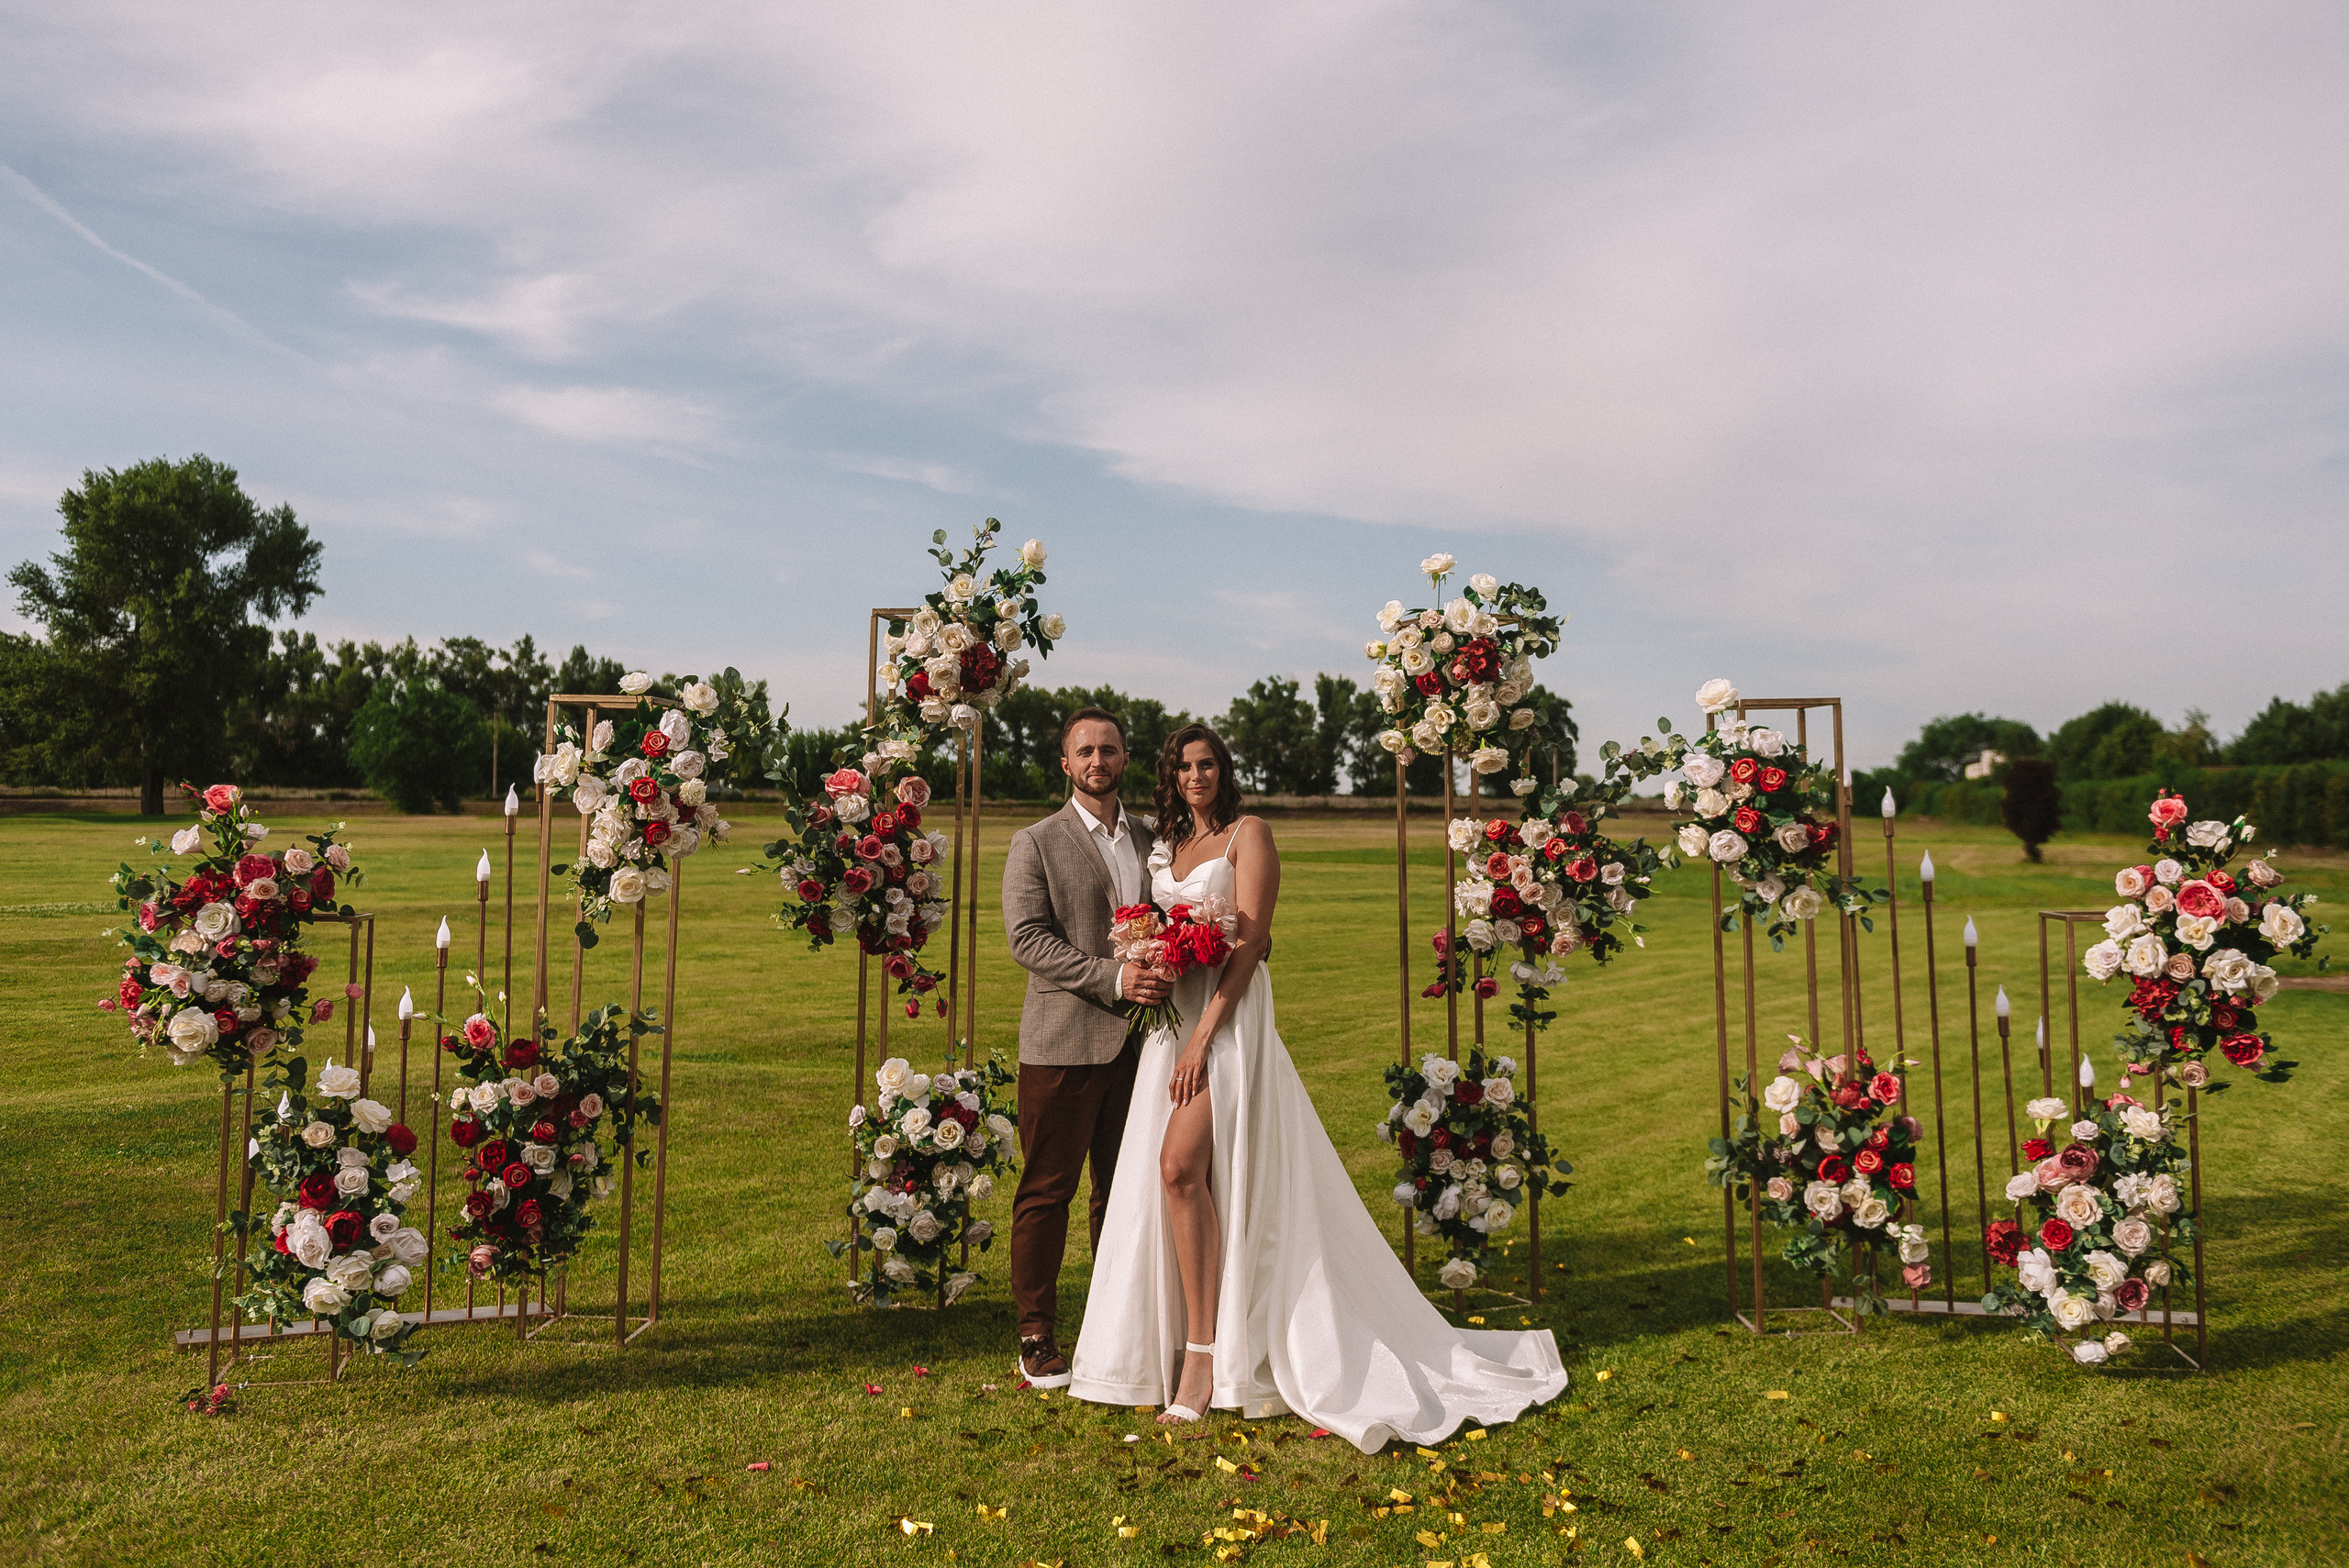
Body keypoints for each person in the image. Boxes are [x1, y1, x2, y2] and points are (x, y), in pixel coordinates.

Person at [1068, 723, 1566, 1451]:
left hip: (1227, 1024)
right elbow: (1167, 928)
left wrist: (1205, 1036)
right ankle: (1190, 1342)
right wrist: (1153, 954)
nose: (1195, 776)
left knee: (1177, 1168)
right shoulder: (1168, 847)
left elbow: (1249, 946)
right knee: (1182, 1176)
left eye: (1207, 764)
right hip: (1174, 1024)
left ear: (1223, 770)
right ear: (1171, 777)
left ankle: (1202, 1364)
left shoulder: (1250, 835)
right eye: (1183, 767)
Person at [1000, 706, 1173, 1388]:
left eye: (1109, 749)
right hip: (1063, 1042)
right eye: (1085, 751)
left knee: (1124, 1190)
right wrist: (1114, 977)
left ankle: (1115, 1328)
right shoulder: (1036, 841)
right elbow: (1028, 939)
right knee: (1048, 1191)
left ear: (1126, 758)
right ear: (1066, 763)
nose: (1097, 761)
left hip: (1146, 1045)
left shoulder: (1156, 837)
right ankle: (1036, 1333)